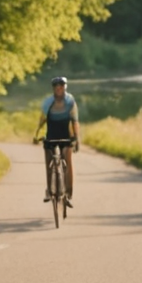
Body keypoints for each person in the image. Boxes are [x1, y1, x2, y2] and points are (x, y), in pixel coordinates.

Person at [33, 76, 82, 207]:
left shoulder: (70, 102)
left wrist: (77, 139)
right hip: (51, 136)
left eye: (62, 87)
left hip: (66, 136)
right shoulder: (48, 102)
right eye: (57, 88)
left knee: (68, 160)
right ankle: (49, 191)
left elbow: (75, 121)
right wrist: (36, 134)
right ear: (54, 89)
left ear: (65, 88)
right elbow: (42, 120)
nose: (59, 90)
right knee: (49, 163)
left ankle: (69, 193)